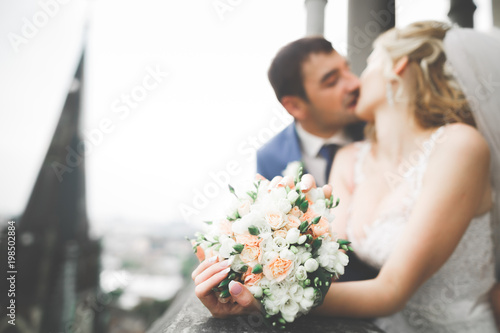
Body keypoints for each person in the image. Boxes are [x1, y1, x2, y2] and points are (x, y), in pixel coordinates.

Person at [192, 21, 500, 331]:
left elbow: (390, 291)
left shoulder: (460, 146)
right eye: (332, 80)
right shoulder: (350, 158)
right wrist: (241, 272)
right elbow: (327, 263)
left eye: (365, 65)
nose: (354, 83)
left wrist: (262, 302)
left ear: (399, 67)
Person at [257, 37, 364, 187]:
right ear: (295, 106)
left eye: (348, 70)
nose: (354, 83)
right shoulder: (269, 158)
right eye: (332, 81)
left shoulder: (377, 129)